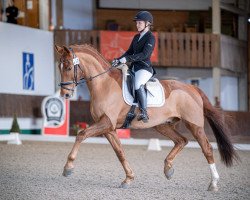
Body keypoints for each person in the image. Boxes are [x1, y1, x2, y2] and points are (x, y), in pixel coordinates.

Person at [113, 11, 156, 123]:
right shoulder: (136, 37)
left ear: (147, 23)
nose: (137, 25)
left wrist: (127, 59)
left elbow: (144, 55)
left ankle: (144, 112)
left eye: (140, 23)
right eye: (137, 23)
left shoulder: (151, 37)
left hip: (144, 68)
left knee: (137, 83)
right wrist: (118, 59)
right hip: (134, 68)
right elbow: (129, 51)